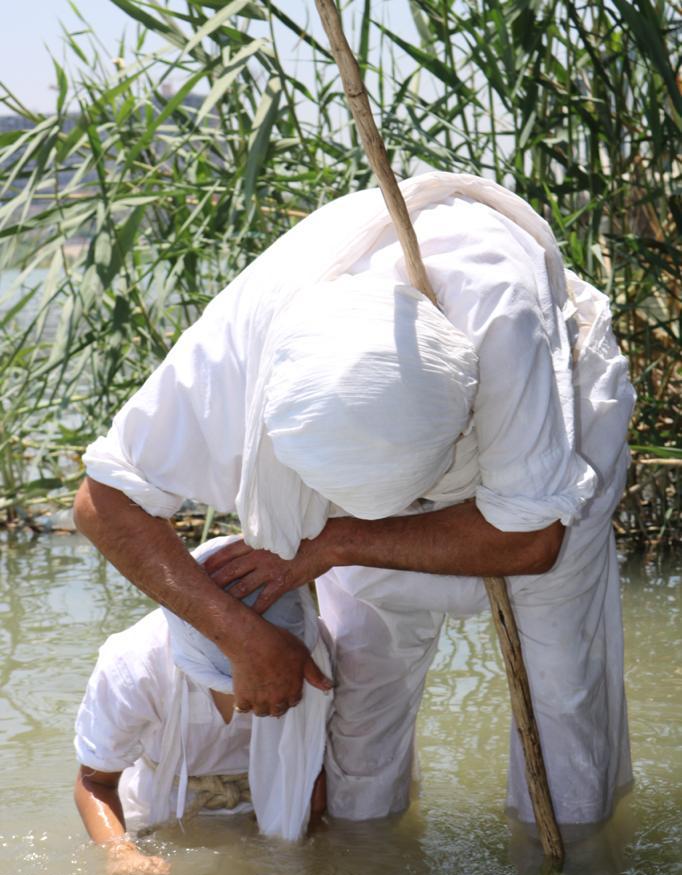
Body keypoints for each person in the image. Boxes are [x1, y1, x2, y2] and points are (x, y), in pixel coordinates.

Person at [74, 171, 635, 829]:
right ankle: (366, 867)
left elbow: (532, 542)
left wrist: (336, 542)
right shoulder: (230, 363)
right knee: (362, 707)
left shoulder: (505, 325)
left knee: (562, 697)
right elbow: (102, 502)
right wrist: (240, 637)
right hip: (328, 526)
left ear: (461, 421)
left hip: (545, 459)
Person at [74, 536, 332, 875]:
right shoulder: (133, 665)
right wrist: (121, 853)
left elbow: (317, 765)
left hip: (273, 801)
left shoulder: (315, 655)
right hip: (164, 809)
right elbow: (95, 781)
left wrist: (313, 840)